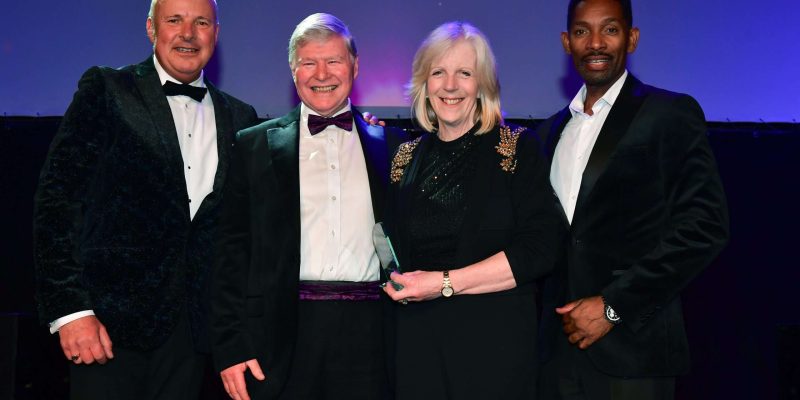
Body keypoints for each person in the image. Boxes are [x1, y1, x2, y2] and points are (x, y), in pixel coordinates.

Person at [32, 0, 258, 398]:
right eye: (175, 20)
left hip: (192, 340)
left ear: (215, 34)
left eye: (200, 22)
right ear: (152, 29)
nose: (188, 33)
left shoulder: (241, 117)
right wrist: (71, 311)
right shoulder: (107, 89)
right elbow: (57, 202)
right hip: (107, 331)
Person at [535, 0, 730, 399]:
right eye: (581, 31)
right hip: (557, 358)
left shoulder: (669, 114)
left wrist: (612, 306)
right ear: (566, 42)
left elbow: (705, 228)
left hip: (635, 352)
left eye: (610, 30)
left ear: (632, 38)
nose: (595, 43)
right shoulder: (548, 133)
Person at [209, 13, 407, 400]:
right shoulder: (253, 145)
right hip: (281, 335)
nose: (322, 74)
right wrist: (230, 345)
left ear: (355, 65)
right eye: (308, 62)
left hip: (372, 335)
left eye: (333, 60)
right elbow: (229, 253)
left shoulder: (394, 147)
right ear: (292, 70)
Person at [380, 21, 562, 399]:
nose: (450, 85)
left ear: (482, 85)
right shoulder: (403, 156)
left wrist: (443, 284)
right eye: (438, 73)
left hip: (493, 354)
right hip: (418, 352)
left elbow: (542, 248)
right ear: (423, 83)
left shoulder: (516, 149)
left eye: (464, 73)